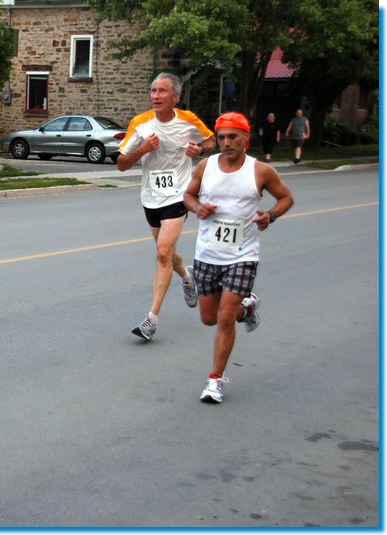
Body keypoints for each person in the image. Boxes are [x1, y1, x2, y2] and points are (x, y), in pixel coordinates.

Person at [182, 112, 294, 403]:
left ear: (246, 137)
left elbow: (286, 198)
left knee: (224, 317)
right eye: (221, 137)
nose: (226, 142)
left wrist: (270, 215)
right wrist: (197, 208)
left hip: (243, 255)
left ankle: (215, 380)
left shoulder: (261, 171)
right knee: (209, 318)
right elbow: (188, 195)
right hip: (207, 253)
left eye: (233, 136)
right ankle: (247, 308)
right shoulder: (206, 166)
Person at [117, 72, 216, 341]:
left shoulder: (188, 119)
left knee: (162, 252)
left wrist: (200, 150)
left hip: (178, 195)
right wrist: (142, 149)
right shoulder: (140, 123)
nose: (155, 96)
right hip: (150, 197)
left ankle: (151, 319)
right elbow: (121, 164)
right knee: (167, 254)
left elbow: (210, 140)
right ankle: (186, 276)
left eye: (162, 91)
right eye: (153, 91)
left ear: (175, 97)